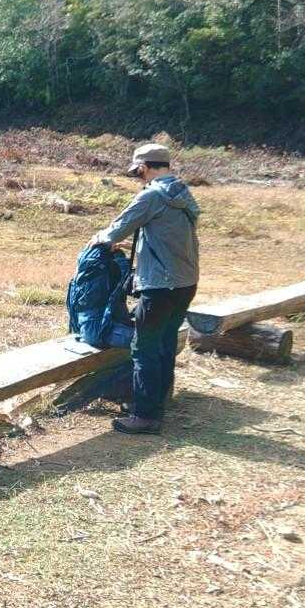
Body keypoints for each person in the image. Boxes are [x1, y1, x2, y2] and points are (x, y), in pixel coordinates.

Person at [88, 143, 200, 435]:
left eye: (137, 171)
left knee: (144, 348)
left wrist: (101, 240)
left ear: (143, 167)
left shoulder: (151, 196)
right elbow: (168, 235)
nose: (138, 177)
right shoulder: (181, 192)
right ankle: (158, 402)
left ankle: (145, 416)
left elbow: (115, 230)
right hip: (185, 282)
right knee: (165, 343)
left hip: (160, 286)